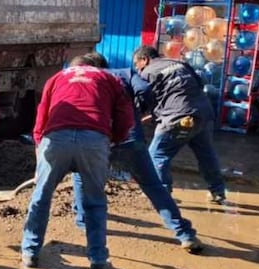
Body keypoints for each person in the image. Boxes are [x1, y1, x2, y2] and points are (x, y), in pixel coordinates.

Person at [71, 52, 203, 253]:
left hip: (97, 140)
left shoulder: (84, 80)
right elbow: (145, 90)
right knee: (152, 186)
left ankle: (83, 220)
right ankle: (184, 234)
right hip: (130, 138)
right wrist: (139, 109)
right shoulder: (125, 73)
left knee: (81, 177)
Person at [21, 55, 134, 269]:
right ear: (93, 67)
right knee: (95, 203)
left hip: (56, 138)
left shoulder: (56, 78)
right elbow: (124, 115)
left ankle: (30, 252)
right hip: (94, 140)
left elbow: (41, 118)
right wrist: (114, 139)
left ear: (72, 67)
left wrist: (39, 149)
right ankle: (98, 261)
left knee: (41, 196)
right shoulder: (108, 78)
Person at [133, 46, 228, 204]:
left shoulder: (147, 72)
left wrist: (135, 117)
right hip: (203, 114)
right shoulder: (181, 64)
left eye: (137, 64)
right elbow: (197, 85)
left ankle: (161, 195)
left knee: (157, 155)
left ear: (145, 60)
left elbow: (142, 98)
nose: (137, 68)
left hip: (177, 117)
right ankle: (218, 191)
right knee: (206, 154)